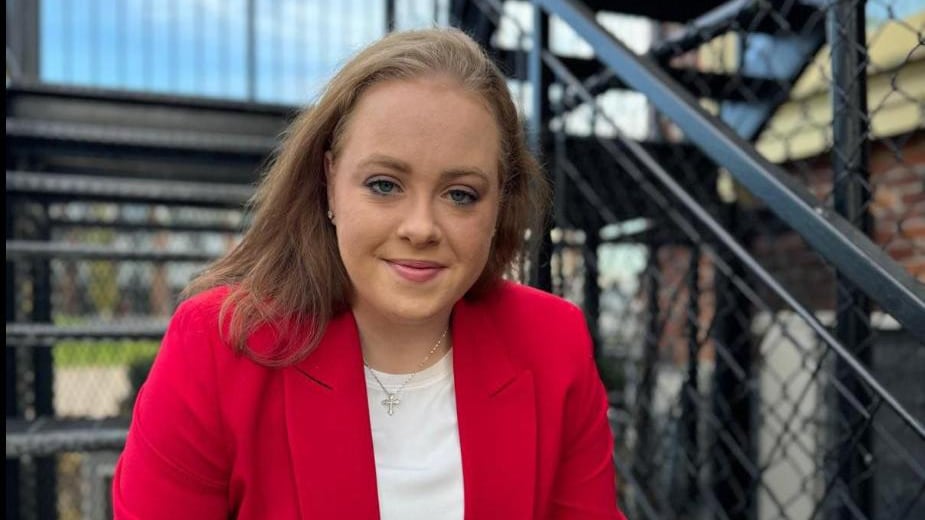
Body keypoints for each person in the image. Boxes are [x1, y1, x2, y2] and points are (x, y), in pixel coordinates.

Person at [112, 27, 626, 520]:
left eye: (461, 194)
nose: (421, 227)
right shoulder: (217, 347)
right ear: (331, 181)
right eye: (384, 185)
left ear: (499, 206)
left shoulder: (553, 344)